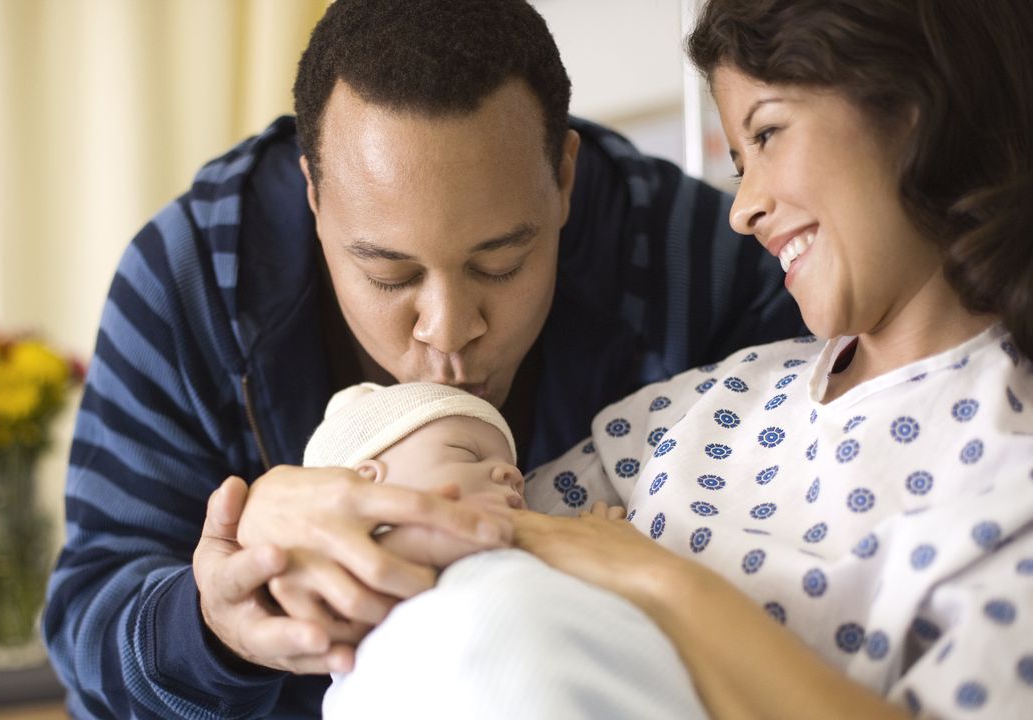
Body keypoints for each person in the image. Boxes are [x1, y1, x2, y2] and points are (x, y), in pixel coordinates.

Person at [41, 0, 804, 717]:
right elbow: (86, 628)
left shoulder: (693, 259)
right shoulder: (192, 279)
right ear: (313, 193)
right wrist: (212, 625)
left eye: (500, 264)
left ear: (564, 178)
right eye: (389, 276)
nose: (448, 330)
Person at [326, 1, 1033, 718]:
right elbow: (425, 550)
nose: (743, 208)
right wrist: (297, 510)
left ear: (916, 105)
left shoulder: (1012, 474)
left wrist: (659, 582)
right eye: (737, 159)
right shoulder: (691, 412)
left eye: (767, 132)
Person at [301, 381, 708, 719]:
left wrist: (602, 549)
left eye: (517, 478)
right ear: (369, 482)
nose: (512, 475)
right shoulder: (353, 573)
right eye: (467, 453)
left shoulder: (530, 550)